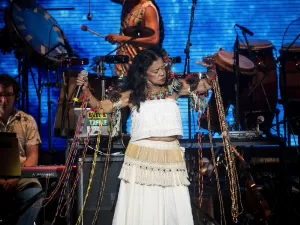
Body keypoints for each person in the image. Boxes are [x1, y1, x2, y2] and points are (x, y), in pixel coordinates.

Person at [76, 46, 213, 225]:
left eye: (163, 68)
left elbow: (205, 84)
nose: (162, 73)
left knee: (173, 207)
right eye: (155, 71)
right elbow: (103, 107)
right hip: (141, 159)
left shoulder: (174, 88)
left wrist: (212, 69)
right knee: (143, 208)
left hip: (171, 158)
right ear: (142, 74)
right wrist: (86, 90)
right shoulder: (132, 95)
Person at [0, 75, 43, 225]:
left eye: (8, 95)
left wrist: (15, 177)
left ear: (15, 96)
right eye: (0, 95)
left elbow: (32, 158)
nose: (3, 100)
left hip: (21, 176)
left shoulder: (27, 120)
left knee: (35, 193)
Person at [106, 0, 164, 77]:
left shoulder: (148, 9)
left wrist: (122, 39)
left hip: (139, 66)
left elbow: (153, 40)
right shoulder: (127, 3)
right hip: (123, 63)